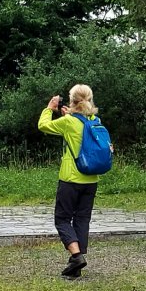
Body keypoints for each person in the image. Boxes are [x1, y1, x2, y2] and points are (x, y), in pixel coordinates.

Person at [38, 85, 104, 280]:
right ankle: (76, 263)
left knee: (62, 219)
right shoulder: (96, 120)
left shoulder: (68, 122)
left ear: (72, 100)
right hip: (91, 178)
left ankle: (76, 256)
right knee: (82, 218)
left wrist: (49, 108)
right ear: (89, 99)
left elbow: (43, 125)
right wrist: (71, 115)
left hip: (70, 179)